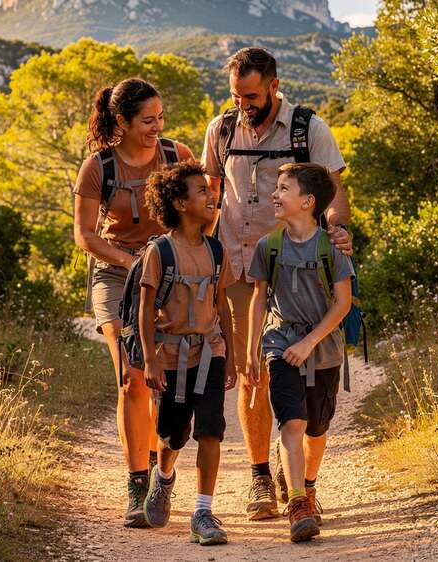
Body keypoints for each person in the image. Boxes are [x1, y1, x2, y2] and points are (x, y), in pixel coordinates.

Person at [200, 47, 352, 520]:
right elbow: (209, 194)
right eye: (236, 95)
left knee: (305, 376)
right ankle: (261, 477)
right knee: (253, 373)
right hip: (240, 267)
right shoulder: (221, 129)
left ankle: (300, 481)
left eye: (251, 95)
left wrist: (337, 231)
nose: (243, 103)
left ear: (273, 84)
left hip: (298, 268)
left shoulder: (309, 128)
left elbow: (335, 193)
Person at [72, 77, 193, 527]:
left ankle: (161, 467)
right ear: (121, 121)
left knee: (163, 380)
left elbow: (200, 211)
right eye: (147, 120)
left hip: (171, 275)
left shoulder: (175, 156)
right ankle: (137, 484)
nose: (157, 126)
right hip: (116, 276)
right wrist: (131, 258)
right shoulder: (98, 167)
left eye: (161, 117)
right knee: (132, 378)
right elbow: (84, 235)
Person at [244, 163, 353, 543]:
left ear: (307, 202)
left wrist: (309, 343)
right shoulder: (267, 246)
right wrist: (252, 351)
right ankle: (298, 505)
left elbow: (342, 303)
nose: (275, 194)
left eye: (284, 188)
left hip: (323, 350)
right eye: (276, 188)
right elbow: (259, 299)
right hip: (280, 344)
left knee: (317, 429)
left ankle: (308, 485)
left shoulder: (331, 248)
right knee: (292, 423)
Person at [137, 160, 236, 545]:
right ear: (179, 203)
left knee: (211, 429)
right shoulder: (160, 252)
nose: (210, 197)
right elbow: (146, 309)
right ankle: (162, 478)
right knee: (173, 436)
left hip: (210, 353)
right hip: (170, 357)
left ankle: (203, 511)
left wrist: (232, 354)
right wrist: (148, 359)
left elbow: (222, 303)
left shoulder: (215, 250)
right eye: (200, 192)